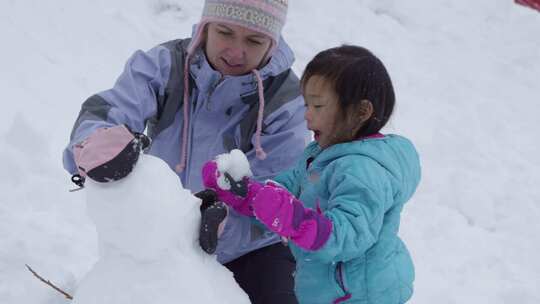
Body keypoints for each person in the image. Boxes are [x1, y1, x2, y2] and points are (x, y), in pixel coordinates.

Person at [63, 0, 307, 303]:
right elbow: (108, 111)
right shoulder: (165, 66)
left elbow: (280, 190)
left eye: (254, 40)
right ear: (206, 26)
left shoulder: (286, 101)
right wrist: (95, 146)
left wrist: (224, 226)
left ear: (272, 42)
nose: (235, 51)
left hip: (253, 250)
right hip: (162, 235)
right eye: (225, 32)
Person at [202, 45, 421, 304]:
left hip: (360, 296)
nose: (307, 116)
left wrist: (288, 216)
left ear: (361, 112)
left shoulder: (364, 171)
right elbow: (287, 190)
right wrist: (244, 193)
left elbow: (346, 236)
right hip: (325, 291)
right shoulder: (321, 153)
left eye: (317, 106)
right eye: (307, 104)